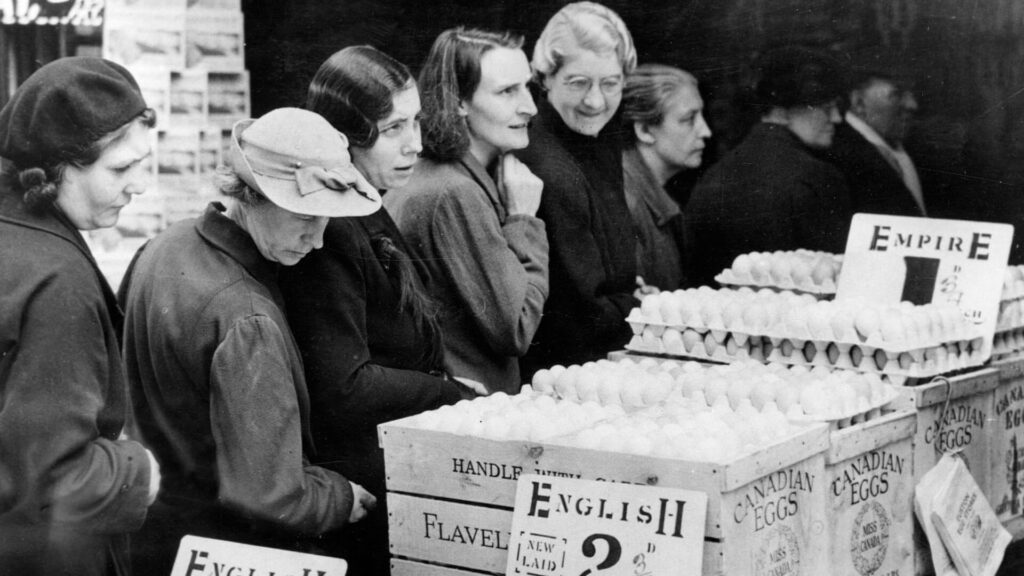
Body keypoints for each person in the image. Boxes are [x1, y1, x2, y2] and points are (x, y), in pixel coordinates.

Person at [120, 108, 378, 573]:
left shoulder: (161, 247)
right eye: (304, 215)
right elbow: (272, 497)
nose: (317, 241)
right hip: (225, 548)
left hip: (151, 537)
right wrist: (341, 497)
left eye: (327, 221)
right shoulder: (247, 317)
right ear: (251, 195)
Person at [279, 45, 464, 574]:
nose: (417, 144)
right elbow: (344, 385)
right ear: (343, 139)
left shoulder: (368, 204)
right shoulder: (330, 228)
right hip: (365, 487)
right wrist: (446, 392)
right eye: (393, 129)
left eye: (417, 123)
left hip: (392, 466)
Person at [0, 57, 161, 576]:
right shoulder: (58, 283)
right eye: (120, 169)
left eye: (143, 163)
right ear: (56, 167)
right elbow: (54, 481)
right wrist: (137, 470)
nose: (140, 186)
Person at [385, 28, 549, 394]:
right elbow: (517, 328)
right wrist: (524, 221)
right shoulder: (454, 193)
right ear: (458, 101)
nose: (530, 106)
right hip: (469, 411)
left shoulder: (444, 176)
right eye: (507, 92)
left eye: (527, 87)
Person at [517, 1, 639, 376]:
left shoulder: (595, 139)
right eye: (578, 82)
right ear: (545, 78)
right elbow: (579, 311)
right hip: (568, 371)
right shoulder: (548, 166)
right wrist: (639, 308)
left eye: (610, 83)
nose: (596, 101)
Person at [683, 46, 853, 287]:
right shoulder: (817, 177)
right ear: (783, 109)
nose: (836, 118)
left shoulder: (714, 174)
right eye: (825, 108)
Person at [621, 63, 712, 291]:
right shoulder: (626, 202)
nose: (705, 131)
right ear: (644, 130)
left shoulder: (644, 193)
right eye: (688, 119)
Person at [825, 70, 925, 217]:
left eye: (912, 95)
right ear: (858, 102)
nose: (912, 105)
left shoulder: (909, 147)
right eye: (897, 94)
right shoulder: (839, 156)